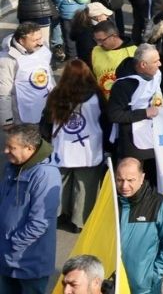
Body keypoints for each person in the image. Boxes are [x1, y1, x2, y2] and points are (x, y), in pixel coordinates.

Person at [40, 59, 106, 233]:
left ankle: (57, 216)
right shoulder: (96, 94)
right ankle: (80, 221)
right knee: (85, 187)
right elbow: (105, 120)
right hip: (89, 148)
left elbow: (46, 121)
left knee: (60, 183)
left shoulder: (56, 94)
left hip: (62, 148)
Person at [0, 124, 60, 294]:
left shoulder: (45, 174)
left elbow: (40, 223)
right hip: (6, 257)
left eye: (11, 147)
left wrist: (12, 244)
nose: (5, 151)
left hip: (28, 260)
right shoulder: (13, 166)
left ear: (29, 148)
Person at [116, 156, 163, 294]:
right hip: (112, 285)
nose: (124, 186)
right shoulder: (109, 202)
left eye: (130, 180)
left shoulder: (159, 204)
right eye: (119, 180)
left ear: (142, 178)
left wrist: (152, 275)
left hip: (144, 288)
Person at [107, 44, 163, 182]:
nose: (160, 64)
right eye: (156, 61)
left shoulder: (156, 75)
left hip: (150, 133)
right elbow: (114, 115)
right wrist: (144, 113)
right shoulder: (123, 85)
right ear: (143, 65)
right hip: (131, 141)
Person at [1, 21, 55, 127]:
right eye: (35, 40)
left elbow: (49, 75)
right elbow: (3, 93)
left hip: (47, 108)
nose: (40, 42)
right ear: (21, 41)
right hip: (23, 116)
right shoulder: (7, 60)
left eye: (40, 38)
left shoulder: (41, 49)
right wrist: (7, 120)